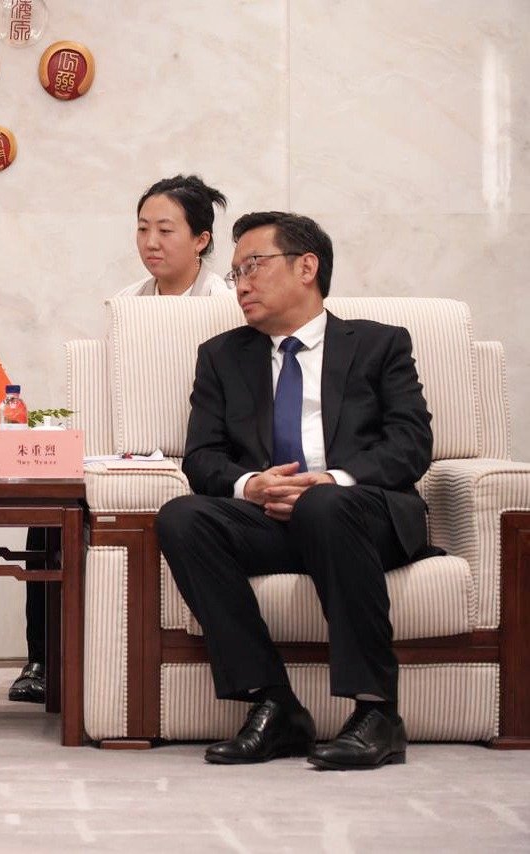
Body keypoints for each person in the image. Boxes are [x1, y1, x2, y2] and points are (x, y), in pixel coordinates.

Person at [155, 211, 434, 771]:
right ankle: (274, 703)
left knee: (325, 504)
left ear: (307, 267)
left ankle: (378, 712)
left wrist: (334, 480)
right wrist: (251, 485)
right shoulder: (222, 356)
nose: (242, 284)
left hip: (361, 516)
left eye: (254, 266)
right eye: (236, 273)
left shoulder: (378, 345)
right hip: (273, 520)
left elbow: (411, 444)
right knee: (181, 517)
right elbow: (201, 458)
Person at [11, 175, 231, 704]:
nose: (150, 243)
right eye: (142, 229)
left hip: (201, 455)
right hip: (131, 453)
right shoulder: (127, 302)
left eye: (165, 230)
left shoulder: (225, 304)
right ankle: (43, 660)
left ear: (201, 239)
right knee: (50, 510)